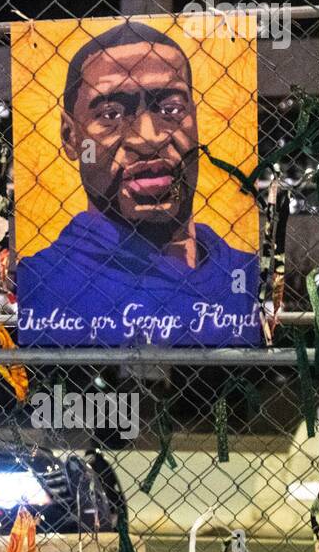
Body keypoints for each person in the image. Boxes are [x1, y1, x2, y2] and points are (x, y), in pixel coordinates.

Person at [15, 21, 260, 347]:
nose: (148, 138)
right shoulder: (41, 282)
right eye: (110, 114)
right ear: (70, 136)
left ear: (197, 119)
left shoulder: (245, 275)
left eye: (171, 109)